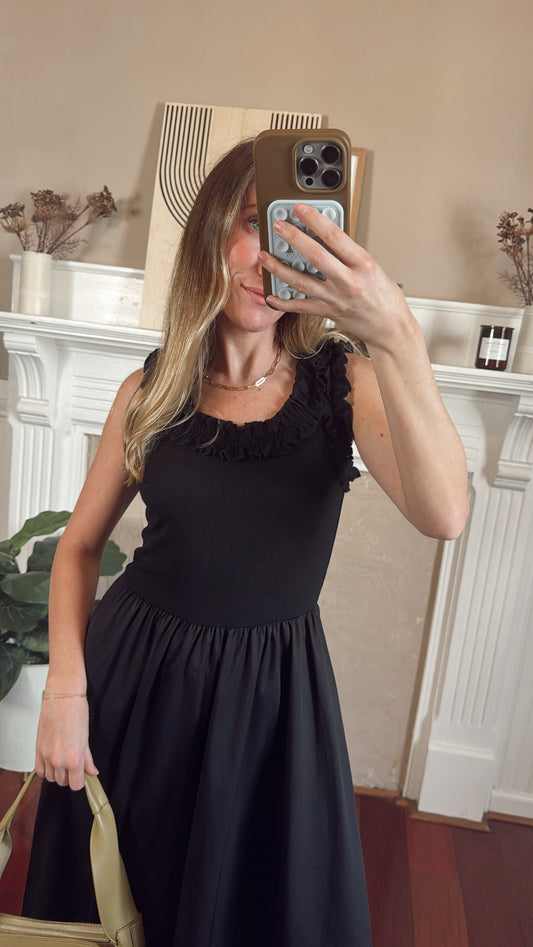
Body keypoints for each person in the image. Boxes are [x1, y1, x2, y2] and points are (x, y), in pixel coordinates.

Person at [22, 138, 469, 946]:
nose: (273, 256)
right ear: (212, 233)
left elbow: (445, 514)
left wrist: (396, 333)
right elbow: (80, 547)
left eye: (298, 233)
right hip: (135, 686)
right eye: (257, 224)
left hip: (271, 704)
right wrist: (64, 693)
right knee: (122, 904)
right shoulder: (151, 387)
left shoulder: (345, 384)